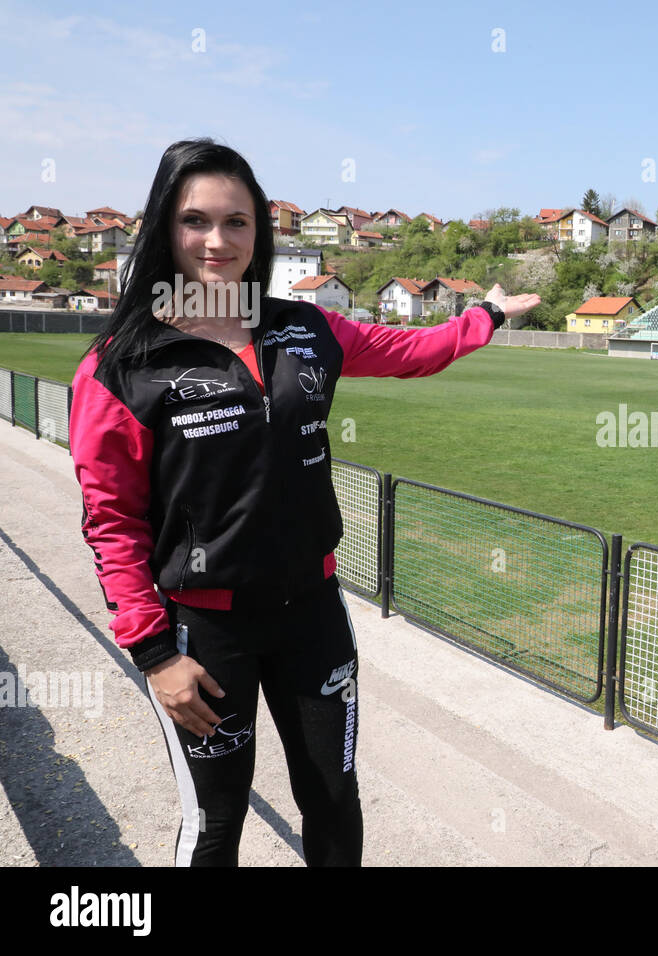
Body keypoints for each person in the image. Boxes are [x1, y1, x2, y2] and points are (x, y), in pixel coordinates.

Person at [69, 138, 539, 866]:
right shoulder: (120, 366)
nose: (217, 241)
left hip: (314, 615)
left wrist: (487, 316)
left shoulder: (307, 328)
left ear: (260, 230)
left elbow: (413, 349)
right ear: (164, 227)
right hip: (203, 633)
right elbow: (112, 523)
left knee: (332, 800)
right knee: (216, 822)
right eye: (196, 221)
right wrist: (157, 653)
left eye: (238, 221)